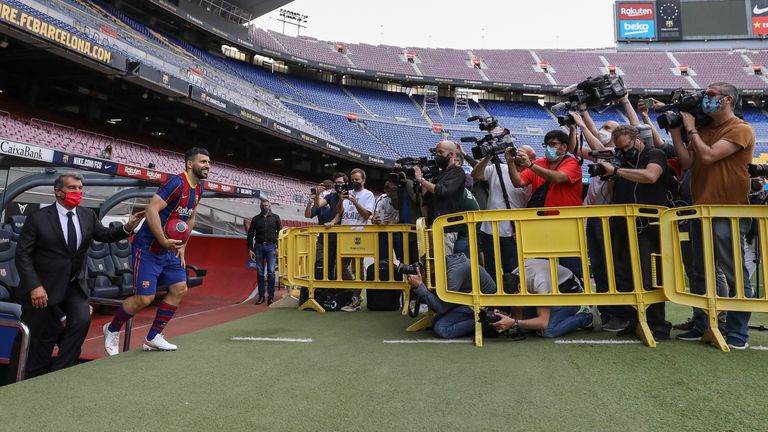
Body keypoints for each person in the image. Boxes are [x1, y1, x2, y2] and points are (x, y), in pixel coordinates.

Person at [14, 173, 144, 377]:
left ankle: (62, 372)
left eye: (81, 188)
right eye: (73, 188)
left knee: (81, 320)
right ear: (58, 191)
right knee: (41, 338)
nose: (78, 192)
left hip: (74, 285)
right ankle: (29, 379)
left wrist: (127, 228)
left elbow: (105, 235)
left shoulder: (87, 215)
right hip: (43, 288)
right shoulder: (38, 218)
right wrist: (34, 286)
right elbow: (22, 255)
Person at [670, 82, 755, 349]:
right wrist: (676, 131)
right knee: (700, 272)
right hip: (701, 207)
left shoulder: (740, 129)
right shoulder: (705, 129)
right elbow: (687, 163)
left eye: (711, 95)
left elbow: (707, 157)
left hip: (727, 209)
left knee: (734, 272)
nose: (706, 99)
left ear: (728, 100)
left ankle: (738, 332)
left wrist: (691, 127)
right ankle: (702, 323)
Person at [103, 147, 210, 355]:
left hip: (170, 251)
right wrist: (163, 240)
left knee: (180, 288)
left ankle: (153, 338)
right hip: (148, 248)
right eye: (203, 162)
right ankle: (112, 328)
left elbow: (190, 217)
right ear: (190, 164)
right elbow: (151, 209)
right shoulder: (176, 183)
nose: (207, 166)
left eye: (208, 162)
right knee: (145, 299)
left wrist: (182, 248)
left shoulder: (199, 188)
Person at [596, 125, 672, 340]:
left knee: (650, 275)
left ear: (637, 139)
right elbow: (612, 191)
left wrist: (617, 171)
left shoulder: (654, 154)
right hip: (622, 223)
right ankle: (634, 320)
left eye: (626, 147)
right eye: (619, 148)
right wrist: (611, 174)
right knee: (624, 275)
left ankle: (657, 323)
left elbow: (651, 176)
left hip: (649, 225)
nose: (622, 151)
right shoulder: (621, 159)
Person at [505, 130, 583, 277]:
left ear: (564, 147)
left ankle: (574, 292)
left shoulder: (572, 163)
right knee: (542, 264)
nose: (549, 147)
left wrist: (531, 165)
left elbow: (559, 178)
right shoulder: (539, 163)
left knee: (571, 263)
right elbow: (518, 182)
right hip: (541, 222)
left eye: (553, 144)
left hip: (566, 223)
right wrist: (510, 163)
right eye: (547, 144)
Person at [470, 145, 535, 280]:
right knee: (491, 270)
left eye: (523, 153)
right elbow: (476, 175)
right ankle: (494, 297)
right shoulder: (499, 169)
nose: (517, 153)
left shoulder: (530, 177)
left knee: (513, 271)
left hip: (513, 231)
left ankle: (512, 297)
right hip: (489, 229)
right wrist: (489, 155)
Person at [490, 259, 595, 338]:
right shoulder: (514, 276)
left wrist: (514, 322)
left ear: (519, 289)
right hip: (551, 291)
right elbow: (517, 312)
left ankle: (587, 317)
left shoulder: (540, 282)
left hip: (569, 295)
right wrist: (510, 322)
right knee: (525, 327)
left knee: (548, 331)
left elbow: (543, 322)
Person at [406, 253, 496, 339]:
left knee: (441, 328)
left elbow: (442, 308)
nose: (426, 269)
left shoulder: (454, 272)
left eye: (428, 265)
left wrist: (420, 286)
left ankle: (488, 322)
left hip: (483, 305)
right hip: (470, 299)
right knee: (435, 321)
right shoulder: (448, 263)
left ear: (435, 262)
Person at [416, 141, 469, 256]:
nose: (437, 156)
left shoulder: (457, 172)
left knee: (445, 264)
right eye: (436, 152)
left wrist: (421, 180)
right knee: (433, 265)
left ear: (452, 154)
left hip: (447, 228)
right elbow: (427, 198)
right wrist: (424, 182)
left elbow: (443, 191)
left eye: (440, 152)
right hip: (433, 225)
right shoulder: (439, 174)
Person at [336, 168, 375, 312]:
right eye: (352, 179)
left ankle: (356, 299)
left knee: (357, 268)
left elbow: (366, 215)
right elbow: (339, 212)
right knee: (340, 266)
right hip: (345, 235)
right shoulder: (347, 193)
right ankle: (356, 292)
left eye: (357, 179)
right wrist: (341, 200)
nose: (354, 182)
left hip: (359, 236)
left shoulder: (368, 194)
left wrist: (355, 202)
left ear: (363, 180)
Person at [247, 198, 282, 305]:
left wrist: (278, 247)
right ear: (260, 206)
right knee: (260, 272)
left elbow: (280, 233)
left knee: (271, 272)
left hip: (271, 247)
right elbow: (250, 235)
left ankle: (271, 297)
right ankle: (261, 296)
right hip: (259, 247)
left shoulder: (276, 218)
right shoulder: (255, 219)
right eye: (262, 205)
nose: (264, 207)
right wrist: (250, 249)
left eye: (266, 205)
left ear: (270, 206)